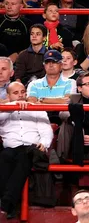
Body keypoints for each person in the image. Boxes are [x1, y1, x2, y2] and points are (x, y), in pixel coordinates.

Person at [0, 82, 53, 219]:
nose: (20, 95)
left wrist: (44, 143)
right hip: (10, 148)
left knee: (24, 158)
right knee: (6, 158)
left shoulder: (36, 109)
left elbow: (46, 130)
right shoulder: (3, 109)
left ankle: (6, 203)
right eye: (15, 93)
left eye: (22, 92)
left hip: (31, 148)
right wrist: (12, 107)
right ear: (8, 95)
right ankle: (9, 204)